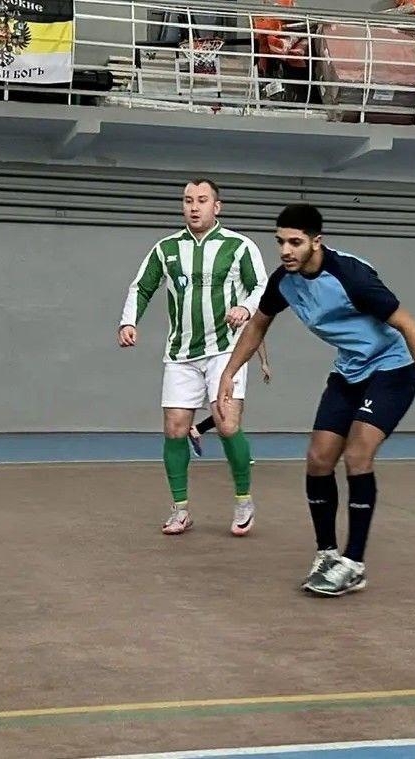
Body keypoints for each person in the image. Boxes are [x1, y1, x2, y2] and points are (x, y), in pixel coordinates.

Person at [217, 204, 415, 596]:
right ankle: (327, 554)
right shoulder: (284, 281)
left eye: (295, 242)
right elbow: (258, 324)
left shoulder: (351, 277)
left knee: (358, 454)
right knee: (318, 459)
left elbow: (409, 325)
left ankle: (354, 564)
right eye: (280, 241)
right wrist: (229, 373)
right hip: (349, 371)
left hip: (391, 369)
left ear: (317, 241)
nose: (286, 250)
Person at [118, 178, 268, 536]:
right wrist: (128, 321)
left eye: (202, 200)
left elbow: (262, 286)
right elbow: (142, 286)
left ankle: (243, 501)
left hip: (225, 351)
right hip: (181, 353)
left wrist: (246, 308)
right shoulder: (166, 248)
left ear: (217, 206)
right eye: (188, 200)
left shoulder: (239, 246)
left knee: (227, 424)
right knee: (174, 429)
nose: (194, 207)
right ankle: (180, 509)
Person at [189, 340, 271, 457]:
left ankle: (197, 430)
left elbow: (258, 334)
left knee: (233, 410)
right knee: (230, 409)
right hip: (225, 359)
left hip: (237, 361)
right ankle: (241, 455)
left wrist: (264, 362)